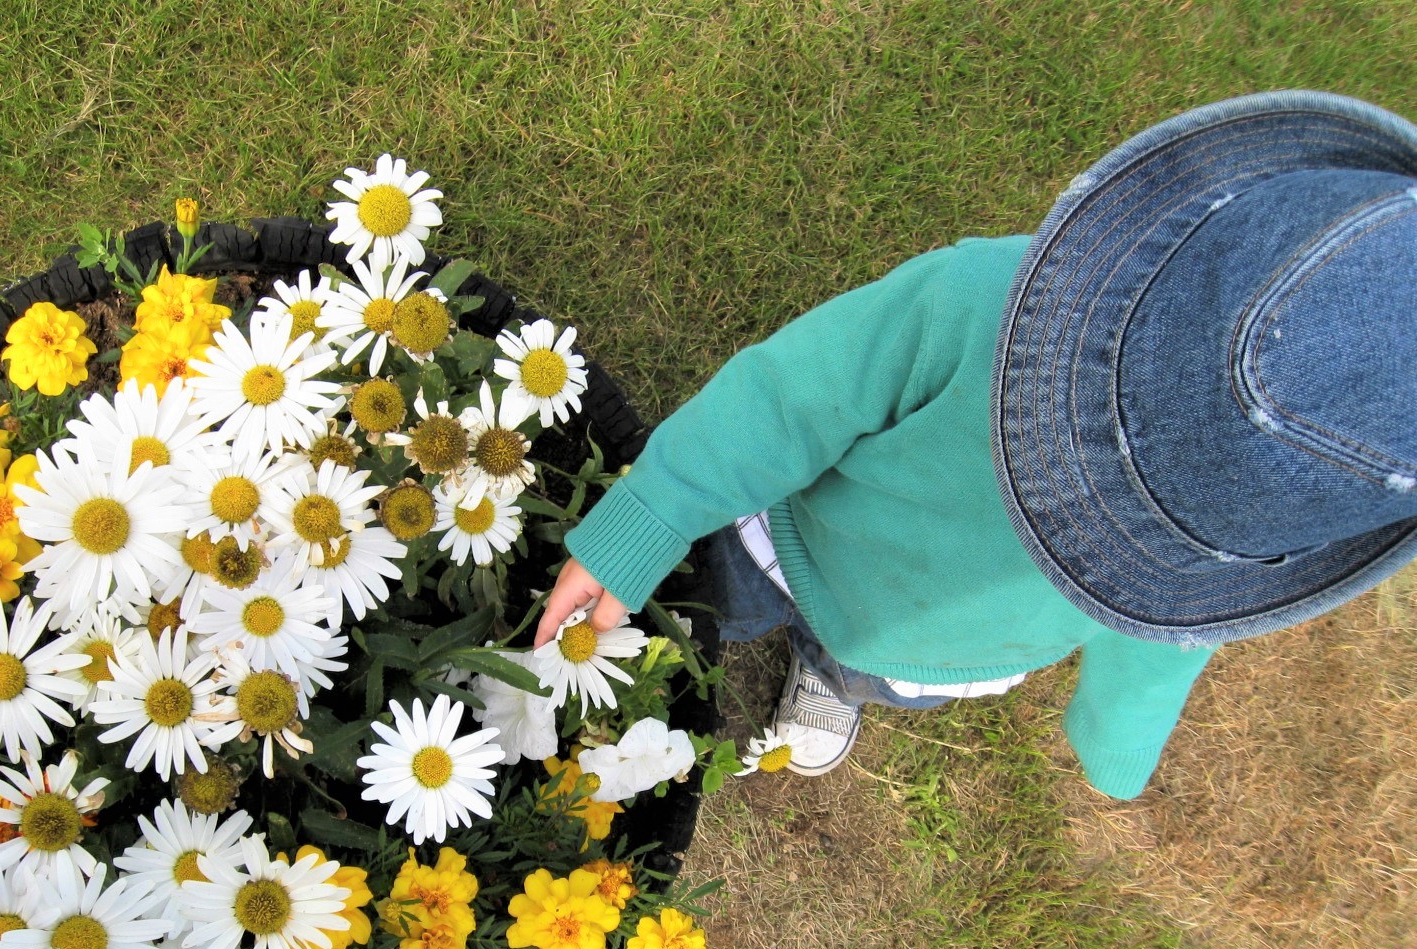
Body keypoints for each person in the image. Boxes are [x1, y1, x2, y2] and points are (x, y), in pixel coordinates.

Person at [532, 90, 1417, 798]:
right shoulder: (978, 300)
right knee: (712, 598)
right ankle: (677, 634)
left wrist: (1120, 731)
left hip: (948, 647)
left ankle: (828, 676)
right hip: (792, 542)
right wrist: (656, 512)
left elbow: (1169, 633)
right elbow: (788, 398)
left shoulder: (1231, 541)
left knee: (860, 669)